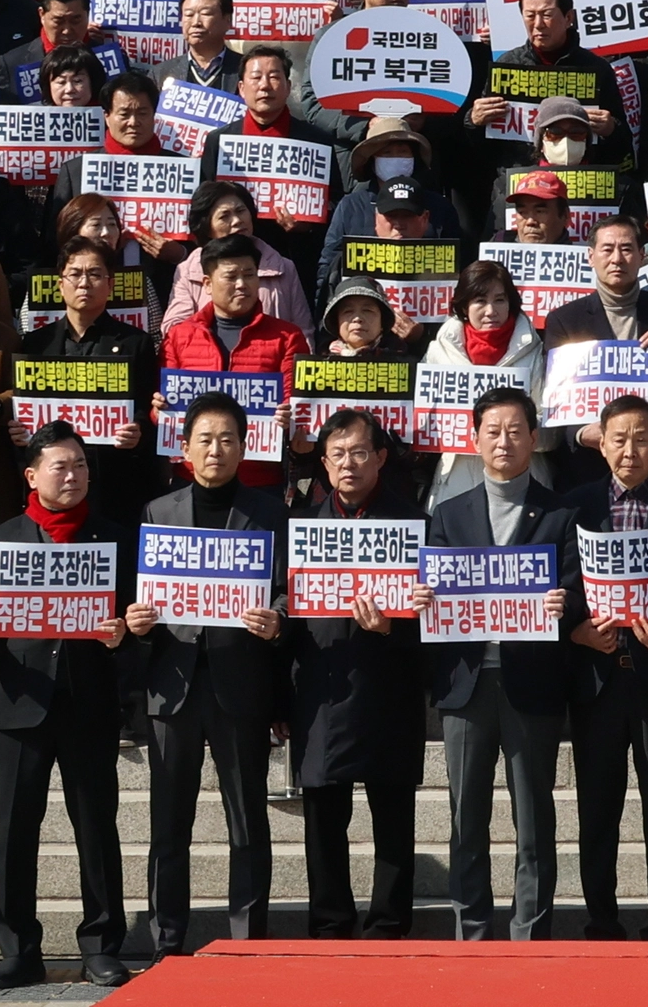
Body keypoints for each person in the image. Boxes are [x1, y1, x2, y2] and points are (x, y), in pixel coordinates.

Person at [0, 423, 137, 988]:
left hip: (89, 701)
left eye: (81, 465)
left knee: (96, 827)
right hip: (20, 701)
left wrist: (121, 635)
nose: (73, 475)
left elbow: (138, 620)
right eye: (60, 466)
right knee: (15, 829)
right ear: (31, 476)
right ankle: (18, 949)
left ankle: (102, 946)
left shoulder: (113, 538)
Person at [136, 391, 286, 952]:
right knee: (168, 826)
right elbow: (140, 596)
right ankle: (166, 940)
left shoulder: (271, 513)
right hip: (172, 687)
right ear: (184, 447)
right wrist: (138, 618)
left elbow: (290, 594)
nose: (216, 449)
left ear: (246, 446)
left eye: (228, 438)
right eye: (205, 439)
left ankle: (249, 941)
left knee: (247, 822)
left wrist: (278, 621)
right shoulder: (158, 512)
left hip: (240, 685)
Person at [425, 386, 569, 941]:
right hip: (466, 682)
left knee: (533, 816)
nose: (504, 441)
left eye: (516, 430)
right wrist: (424, 599)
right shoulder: (449, 513)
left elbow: (579, 586)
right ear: (475, 437)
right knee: (467, 819)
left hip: (531, 681)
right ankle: (472, 931)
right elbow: (430, 589)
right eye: (493, 430)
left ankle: (531, 931)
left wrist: (565, 601)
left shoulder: (561, 513)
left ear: (535, 438)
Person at [285, 408, 426, 942]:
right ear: (323, 463)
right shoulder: (302, 527)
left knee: (393, 817)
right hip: (321, 688)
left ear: (381, 458)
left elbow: (438, 619)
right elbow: (284, 606)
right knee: (323, 817)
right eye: (338, 454)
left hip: (389, 686)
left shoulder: (413, 525)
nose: (349, 463)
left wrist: (396, 624)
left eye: (360, 452)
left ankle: (389, 924)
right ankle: (330, 923)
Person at [566, 394, 648, 947]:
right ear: (600, 441)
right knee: (597, 808)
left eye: (641, 437)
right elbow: (557, 586)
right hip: (596, 676)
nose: (629, 449)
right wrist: (573, 629)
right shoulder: (573, 505)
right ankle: (601, 919)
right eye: (618, 438)